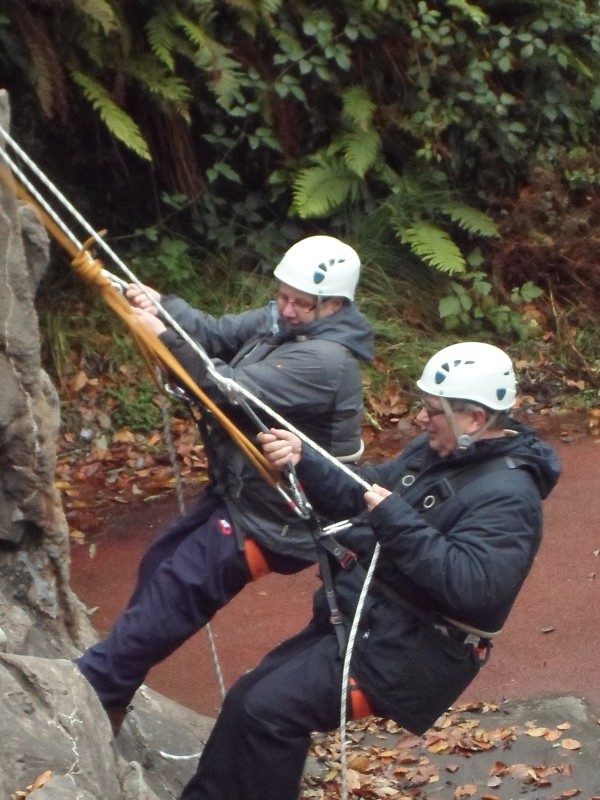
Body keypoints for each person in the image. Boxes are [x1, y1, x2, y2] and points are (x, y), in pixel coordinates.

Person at [179, 341, 561, 800]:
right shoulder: (441, 450)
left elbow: (474, 587)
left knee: (269, 711)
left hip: (413, 655)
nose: (420, 419)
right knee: (247, 696)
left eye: (432, 411)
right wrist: (305, 459)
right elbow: (368, 488)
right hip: (375, 622)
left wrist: (394, 519)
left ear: (474, 420)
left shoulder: (509, 498)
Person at [74, 235, 374, 731]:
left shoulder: (326, 361)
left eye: (302, 303)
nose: (288, 309)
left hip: (278, 518)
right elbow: (211, 334)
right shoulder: (280, 321)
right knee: (160, 565)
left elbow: (225, 388)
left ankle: (97, 682)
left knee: (180, 585)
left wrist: (161, 336)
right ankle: (115, 688)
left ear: (335, 305)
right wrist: (164, 309)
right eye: (283, 295)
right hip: (243, 493)